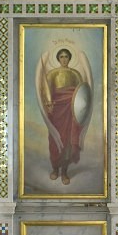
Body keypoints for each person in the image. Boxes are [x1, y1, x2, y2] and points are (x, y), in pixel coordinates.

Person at [38, 48, 91, 185]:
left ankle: (65, 172)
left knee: (67, 142)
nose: (64, 59)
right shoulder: (52, 73)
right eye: (61, 56)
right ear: (58, 59)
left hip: (70, 111)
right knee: (55, 141)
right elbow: (46, 92)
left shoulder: (75, 73)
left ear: (69, 58)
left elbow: (81, 93)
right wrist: (48, 105)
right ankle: (55, 169)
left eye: (66, 56)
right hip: (56, 112)